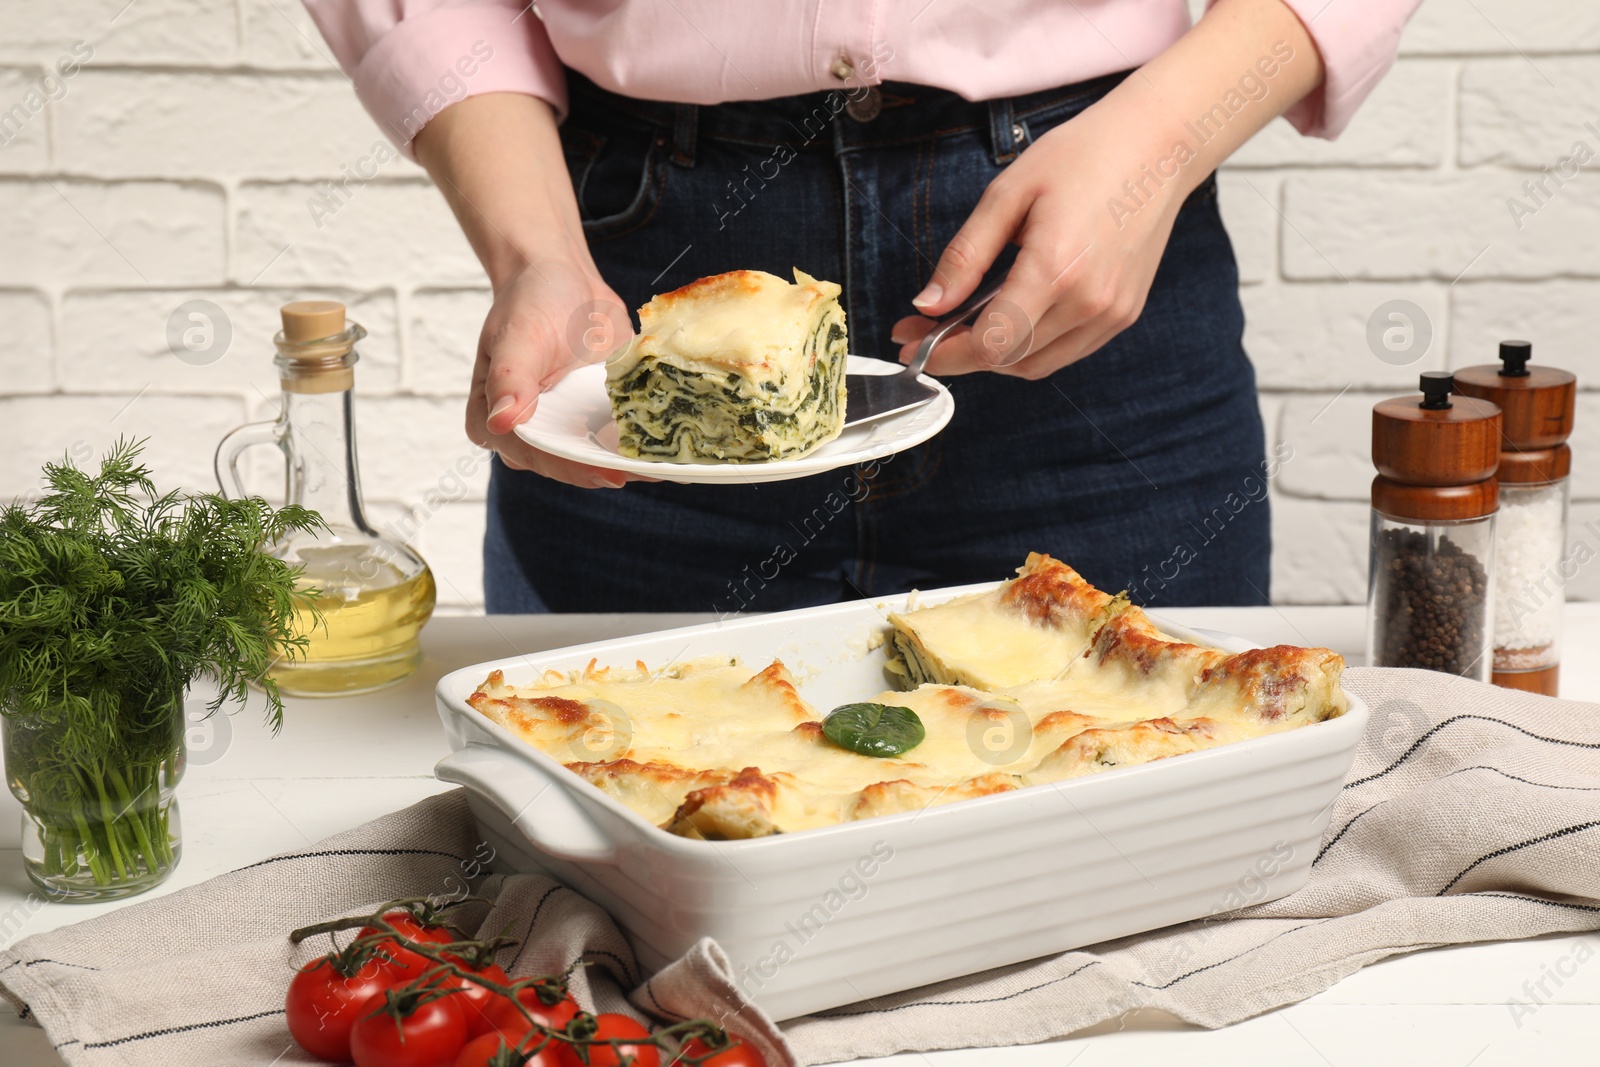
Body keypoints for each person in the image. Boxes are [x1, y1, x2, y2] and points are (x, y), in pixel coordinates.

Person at [307, 0, 1418, 614]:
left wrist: (1161, 140)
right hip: (638, 263)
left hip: (1084, 238)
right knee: (625, 863)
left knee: (1159, 826)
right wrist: (533, 251)